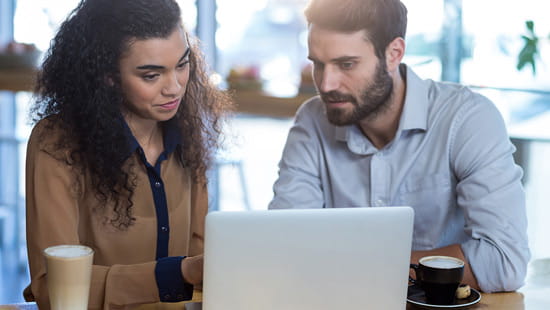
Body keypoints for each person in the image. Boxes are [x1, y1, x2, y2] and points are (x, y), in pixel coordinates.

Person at [269, 0, 530, 293]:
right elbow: (286, 245)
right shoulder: (312, 121)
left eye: (346, 64)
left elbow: (504, 261)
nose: (327, 84)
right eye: (318, 63)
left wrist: (358, 268)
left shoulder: (467, 119)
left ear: (394, 53)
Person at [24, 0, 232, 309]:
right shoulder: (57, 143)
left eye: (182, 64)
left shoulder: (187, 131)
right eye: (151, 75)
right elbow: (51, 288)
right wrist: (178, 273)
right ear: (107, 75)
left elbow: (201, 265)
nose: (174, 88)